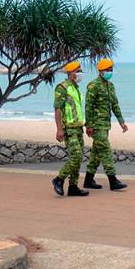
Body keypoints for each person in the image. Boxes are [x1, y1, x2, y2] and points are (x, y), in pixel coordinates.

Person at [83, 58, 129, 191]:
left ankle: (88, 180)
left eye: (111, 70)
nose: (110, 72)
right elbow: (88, 107)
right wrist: (89, 125)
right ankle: (113, 181)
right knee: (106, 151)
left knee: (96, 154)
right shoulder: (93, 85)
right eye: (108, 70)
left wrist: (122, 122)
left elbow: (115, 105)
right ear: (101, 71)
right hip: (97, 125)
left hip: (106, 125)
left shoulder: (110, 86)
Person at [51, 61, 89, 197]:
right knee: (76, 156)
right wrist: (59, 129)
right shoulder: (62, 87)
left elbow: (76, 109)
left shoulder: (75, 88)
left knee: (78, 158)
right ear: (70, 73)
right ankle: (59, 179)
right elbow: (58, 109)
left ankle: (73, 187)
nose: (80, 73)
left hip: (79, 128)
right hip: (69, 129)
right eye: (77, 71)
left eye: (80, 71)